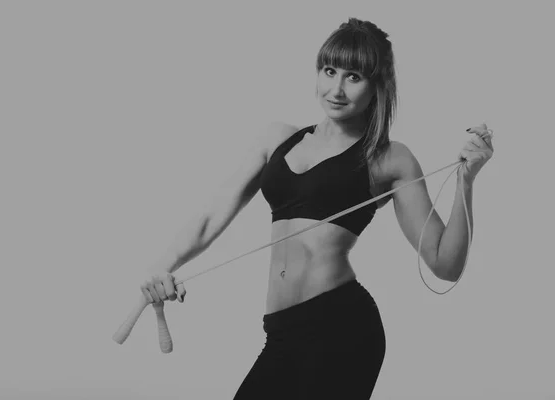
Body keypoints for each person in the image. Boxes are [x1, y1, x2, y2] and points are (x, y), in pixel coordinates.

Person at [139, 17, 494, 399]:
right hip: (280, 332)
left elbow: (444, 263)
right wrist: (163, 266)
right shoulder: (278, 139)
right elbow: (210, 218)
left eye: (354, 77)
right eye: (329, 71)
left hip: (341, 328)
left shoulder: (389, 159)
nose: (336, 89)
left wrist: (466, 180)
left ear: (378, 86)